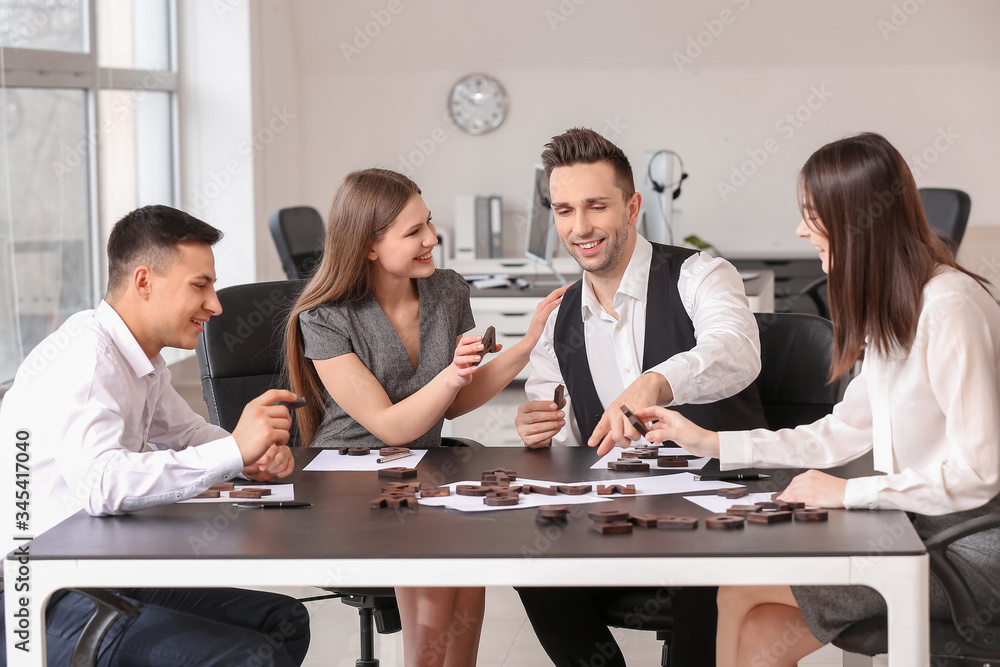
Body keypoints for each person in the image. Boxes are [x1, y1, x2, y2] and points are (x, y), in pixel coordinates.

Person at [635, 132, 1000, 666]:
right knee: (759, 625)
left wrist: (851, 495)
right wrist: (710, 441)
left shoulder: (948, 309)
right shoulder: (898, 309)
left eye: (812, 214)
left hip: (969, 548)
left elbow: (981, 472)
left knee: (740, 589)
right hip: (919, 528)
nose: (800, 229)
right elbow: (840, 431)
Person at [0, 205, 311, 666]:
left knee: (281, 622)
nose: (216, 305)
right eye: (200, 285)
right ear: (143, 281)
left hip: (102, 567)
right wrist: (232, 449)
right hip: (40, 593)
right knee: (247, 656)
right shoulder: (87, 360)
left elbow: (186, 434)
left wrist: (249, 456)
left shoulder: (140, 361)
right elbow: (100, 484)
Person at [285, 168, 565, 667]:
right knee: (436, 547)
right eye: (413, 232)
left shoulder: (448, 290)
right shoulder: (324, 317)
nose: (432, 239)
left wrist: (528, 345)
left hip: (419, 466)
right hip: (344, 474)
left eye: (428, 223)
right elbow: (390, 426)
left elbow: (451, 403)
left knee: (467, 558)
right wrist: (454, 374)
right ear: (368, 245)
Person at [512, 127, 768, 667]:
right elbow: (561, 433)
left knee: (705, 575)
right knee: (528, 563)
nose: (579, 227)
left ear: (631, 206)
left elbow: (737, 349)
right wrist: (540, 428)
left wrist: (658, 381)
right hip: (617, 509)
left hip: (712, 506)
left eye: (595, 206)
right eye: (563, 210)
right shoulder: (560, 319)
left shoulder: (699, 274)